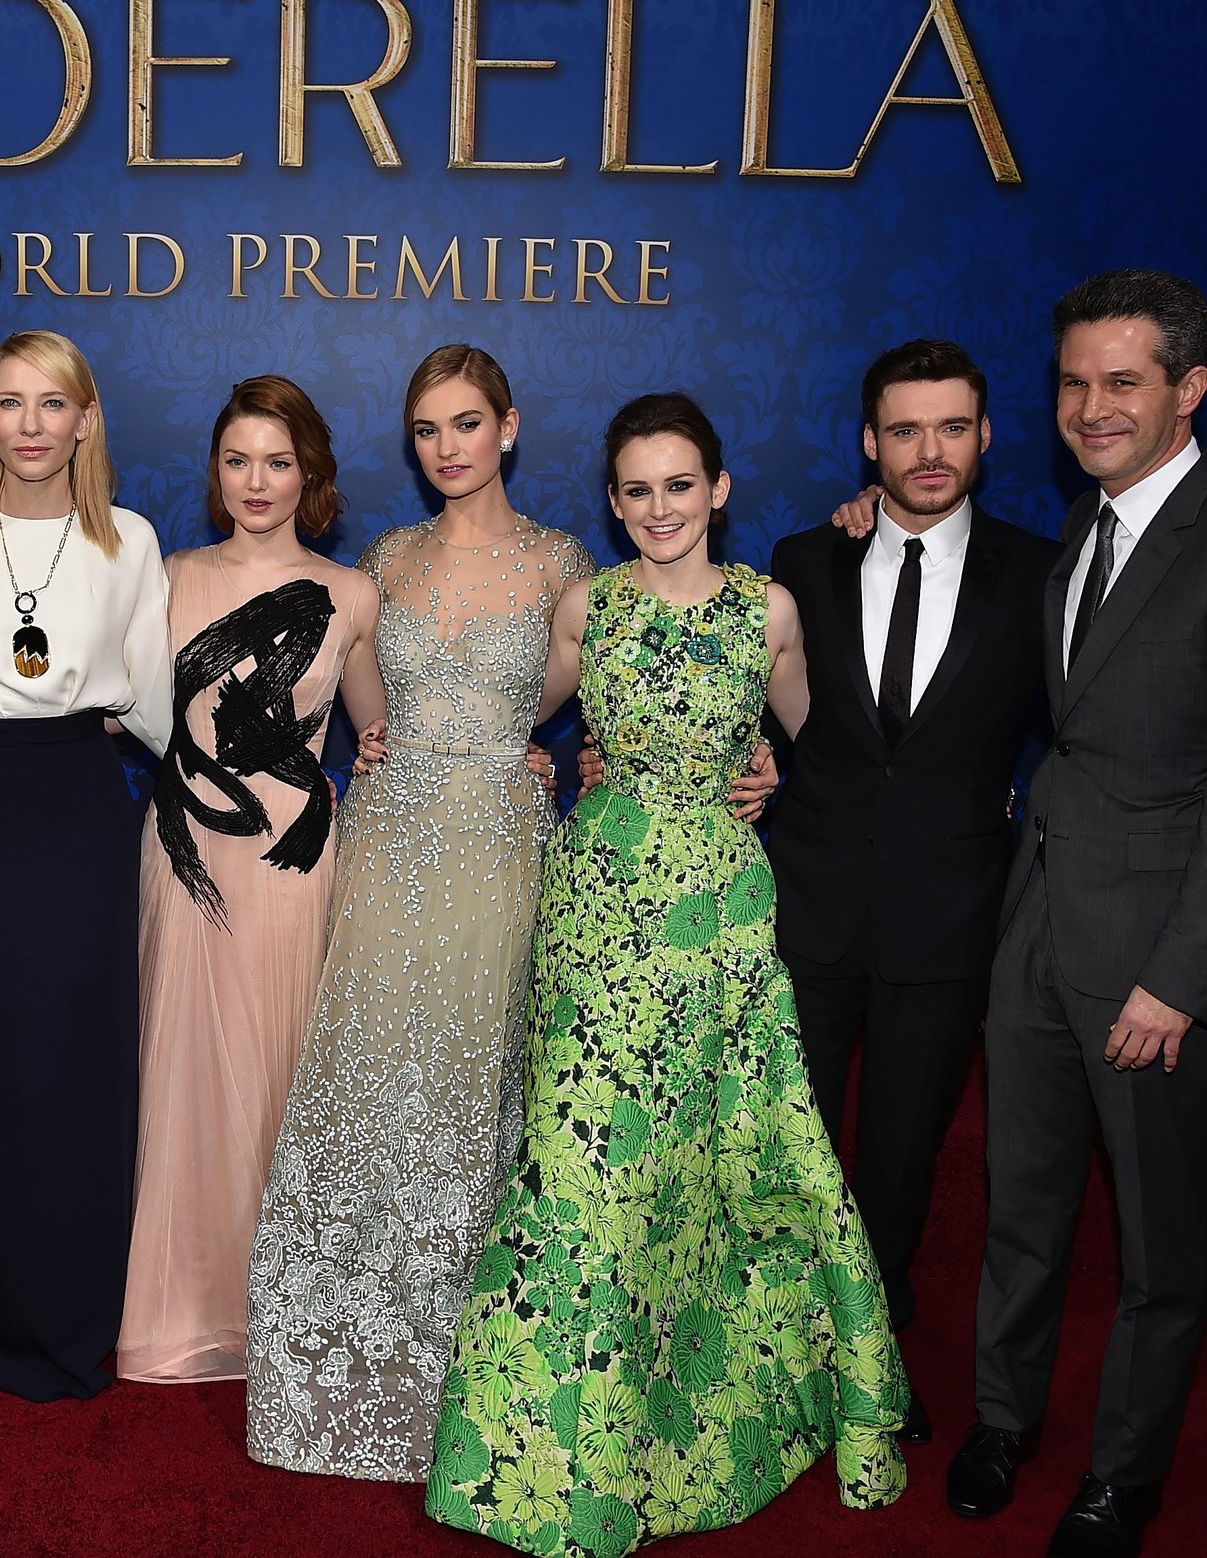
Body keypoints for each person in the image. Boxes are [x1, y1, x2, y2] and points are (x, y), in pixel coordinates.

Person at [426, 392, 906, 1553]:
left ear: (718, 489)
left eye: (679, 485)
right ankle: (548, 1454)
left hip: (718, 921)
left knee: (693, 1162)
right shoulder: (587, 605)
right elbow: (506, 716)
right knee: (576, 1160)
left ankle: (670, 1425)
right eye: (637, 490)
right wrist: (415, 735)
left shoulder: (768, 609)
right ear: (612, 499)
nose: (659, 508)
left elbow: (823, 748)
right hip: (595, 907)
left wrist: (771, 774)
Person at [938, 271, 1207, 1558]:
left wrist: (1182, 978)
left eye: (1122, 382)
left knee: (1160, 1246)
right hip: (1038, 933)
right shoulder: (1081, 533)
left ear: (1188, 388)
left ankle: (1123, 1476)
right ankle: (1004, 1420)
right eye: (1073, 382)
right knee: (1021, 1206)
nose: (1091, 407)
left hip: (1159, 965)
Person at [245, 344, 597, 1479]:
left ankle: (469, 1355)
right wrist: (378, 746)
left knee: (472, 1081)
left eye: (465, 424)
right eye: (427, 430)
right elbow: (360, 710)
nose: (447, 447)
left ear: (508, 426)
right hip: (389, 843)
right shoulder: (385, 559)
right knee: (370, 1075)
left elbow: (589, 699)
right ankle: (343, 1344)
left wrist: (539, 754)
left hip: (498, 845)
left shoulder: (563, 563)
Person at [763, 339, 1057, 1442]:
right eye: (904, 429)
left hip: (948, 915)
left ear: (984, 436)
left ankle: (869, 1354)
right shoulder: (803, 559)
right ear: (868, 442)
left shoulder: (1042, 571)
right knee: (787, 1149)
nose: (928, 451)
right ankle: (774, 1350)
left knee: (899, 1156)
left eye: (951, 427)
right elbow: (747, 702)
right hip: (808, 904)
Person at [0, 328, 172, 1401]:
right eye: (9, 402)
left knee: (68, 1057)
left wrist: (276, 774)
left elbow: (155, 706)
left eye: (52, 403)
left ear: (86, 420)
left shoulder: (131, 542)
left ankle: (68, 1300)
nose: (29, 424)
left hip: (77, 811)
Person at [116, 376, 386, 1384]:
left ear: (310, 472)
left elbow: (380, 732)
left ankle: (278, 1307)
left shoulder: (351, 593)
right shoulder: (165, 576)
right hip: (186, 851)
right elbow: (112, 701)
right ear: (216, 471)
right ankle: (183, 1307)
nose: (257, 481)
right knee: (182, 1076)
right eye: (238, 460)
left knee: (280, 1074)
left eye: (278, 461)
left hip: (292, 866)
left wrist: (513, 754)